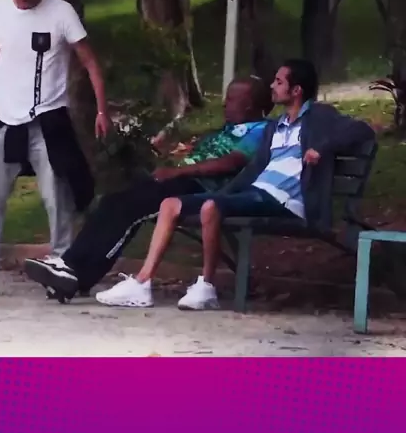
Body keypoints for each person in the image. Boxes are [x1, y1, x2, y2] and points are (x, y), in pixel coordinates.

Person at [93, 58, 376, 311]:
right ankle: (142, 284)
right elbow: (253, 169)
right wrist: (225, 193)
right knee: (170, 204)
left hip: (285, 200)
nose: (272, 86)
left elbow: (361, 130)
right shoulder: (275, 126)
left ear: (296, 90)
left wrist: (321, 149)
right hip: (258, 193)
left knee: (211, 207)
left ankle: (206, 287)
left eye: (279, 82)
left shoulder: (319, 116)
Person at [24, 76, 273, 304]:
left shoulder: (261, 131)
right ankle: (69, 267)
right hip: (184, 180)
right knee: (113, 201)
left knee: (132, 209)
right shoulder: (228, 129)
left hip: (198, 188)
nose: (224, 103)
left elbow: (231, 163)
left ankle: (76, 273)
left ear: (249, 104)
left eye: (231, 98)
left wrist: (177, 172)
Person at [0, 0, 111, 297]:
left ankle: (61, 268)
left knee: (57, 198)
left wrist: (102, 110)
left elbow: (90, 62)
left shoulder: (61, 12)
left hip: (47, 120)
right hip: (6, 119)